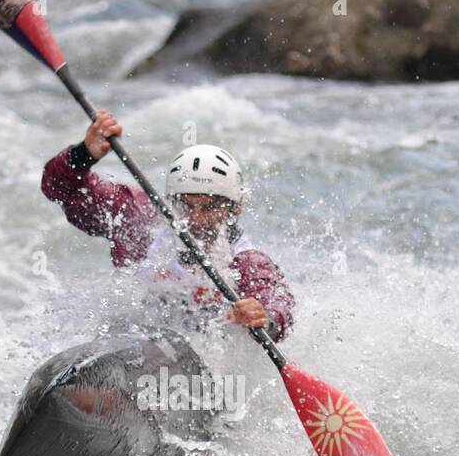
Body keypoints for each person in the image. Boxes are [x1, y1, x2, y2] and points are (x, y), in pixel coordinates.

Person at [41, 109, 294, 341]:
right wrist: (83, 154)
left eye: (209, 207)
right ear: (170, 200)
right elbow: (59, 190)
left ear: (234, 208)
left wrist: (265, 318)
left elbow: (276, 301)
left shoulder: (246, 260)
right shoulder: (136, 219)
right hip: (130, 341)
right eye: (186, 205)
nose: (196, 218)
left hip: (198, 358)